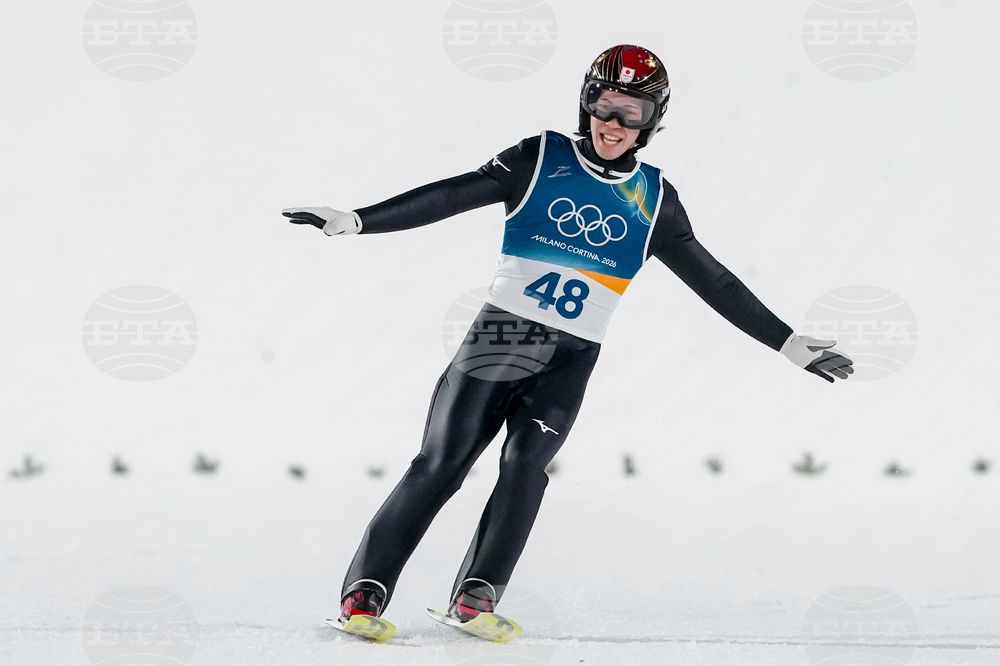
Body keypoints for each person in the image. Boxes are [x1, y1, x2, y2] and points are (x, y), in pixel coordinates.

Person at [284, 44, 853, 626]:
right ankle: (365, 591)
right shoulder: (539, 158)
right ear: (586, 104)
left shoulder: (655, 201)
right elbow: (450, 195)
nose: (615, 124)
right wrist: (359, 220)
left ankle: (477, 593)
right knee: (443, 462)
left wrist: (787, 342)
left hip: (571, 357)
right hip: (500, 338)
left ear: (652, 122)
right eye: (606, 107)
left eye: (632, 112)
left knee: (526, 466)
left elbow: (717, 282)